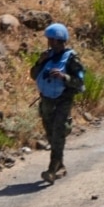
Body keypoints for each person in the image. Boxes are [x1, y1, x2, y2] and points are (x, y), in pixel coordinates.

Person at [29, 23, 85, 183]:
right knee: (51, 134)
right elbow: (33, 75)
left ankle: (52, 169)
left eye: (52, 40)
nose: (49, 43)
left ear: (59, 40)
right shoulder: (46, 56)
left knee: (58, 133)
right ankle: (60, 166)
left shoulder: (72, 58)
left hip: (63, 100)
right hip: (46, 101)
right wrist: (40, 62)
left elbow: (79, 82)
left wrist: (63, 77)